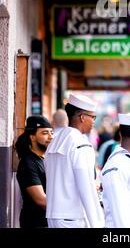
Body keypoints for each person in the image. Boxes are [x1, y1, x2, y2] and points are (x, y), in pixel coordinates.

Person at [44, 93, 104, 228]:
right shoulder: (80, 144)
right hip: (72, 217)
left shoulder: (55, 142)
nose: (94, 121)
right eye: (93, 117)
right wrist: (97, 223)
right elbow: (86, 188)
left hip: (53, 215)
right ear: (82, 117)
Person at [15, 115, 53, 228]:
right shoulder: (28, 163)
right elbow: (41, 201)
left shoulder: (46, 159)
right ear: (32, 137)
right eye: (45, 133)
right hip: (35, 223)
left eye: (52, 132)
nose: (51, 137)